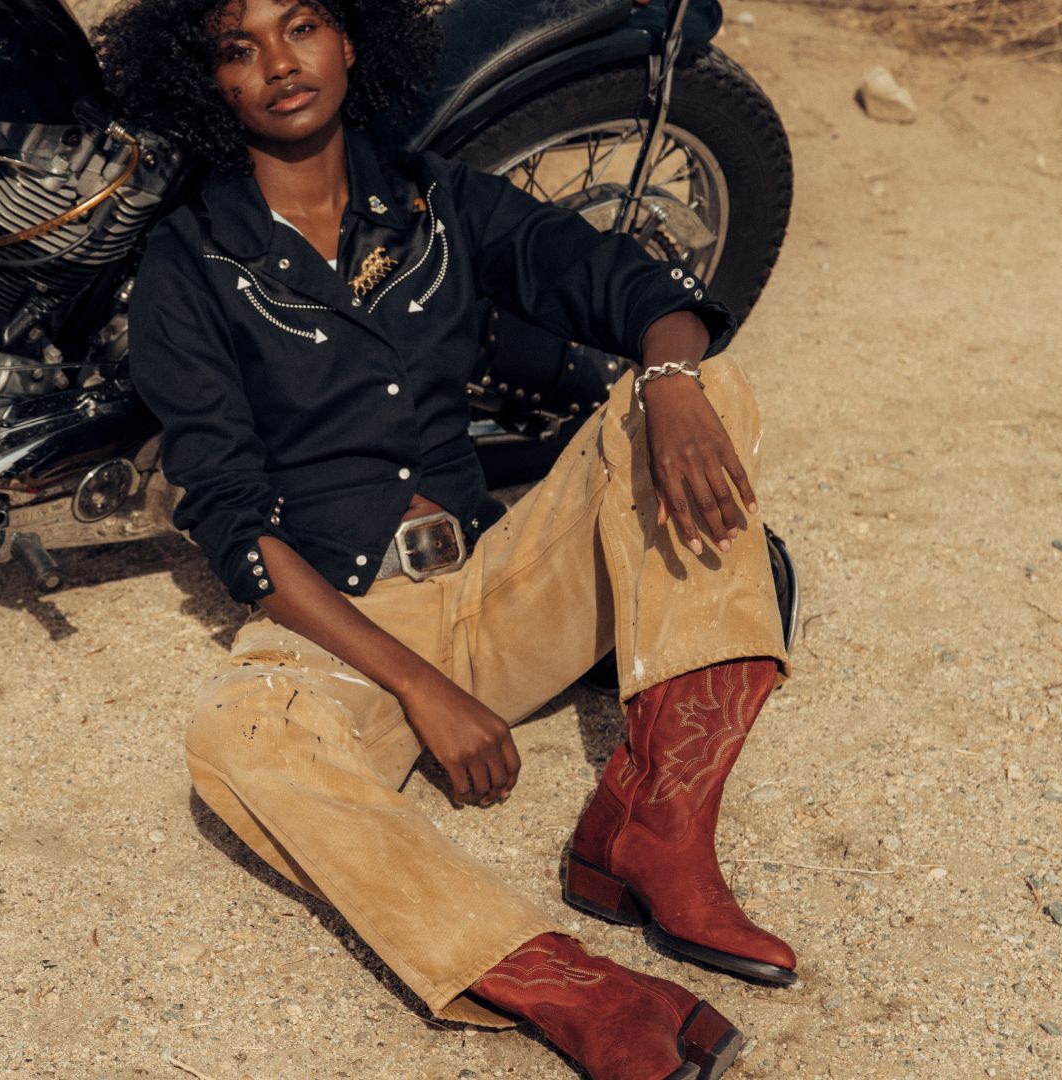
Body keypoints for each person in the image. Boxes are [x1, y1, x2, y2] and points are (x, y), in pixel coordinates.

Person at [93, 1, 796, 1077]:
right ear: (209, 83)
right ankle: (570, 985)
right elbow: (233, 523)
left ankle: (655, 837)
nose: (281, 65)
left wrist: (669, 377)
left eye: (303, 26)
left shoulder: (435, 200)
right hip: (353, 631)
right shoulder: (189, 266)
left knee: (708, 391)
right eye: (241, 49)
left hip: (496, 580)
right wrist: (422, 686)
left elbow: (621, 283)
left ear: (354, 39)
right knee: (236, 741)